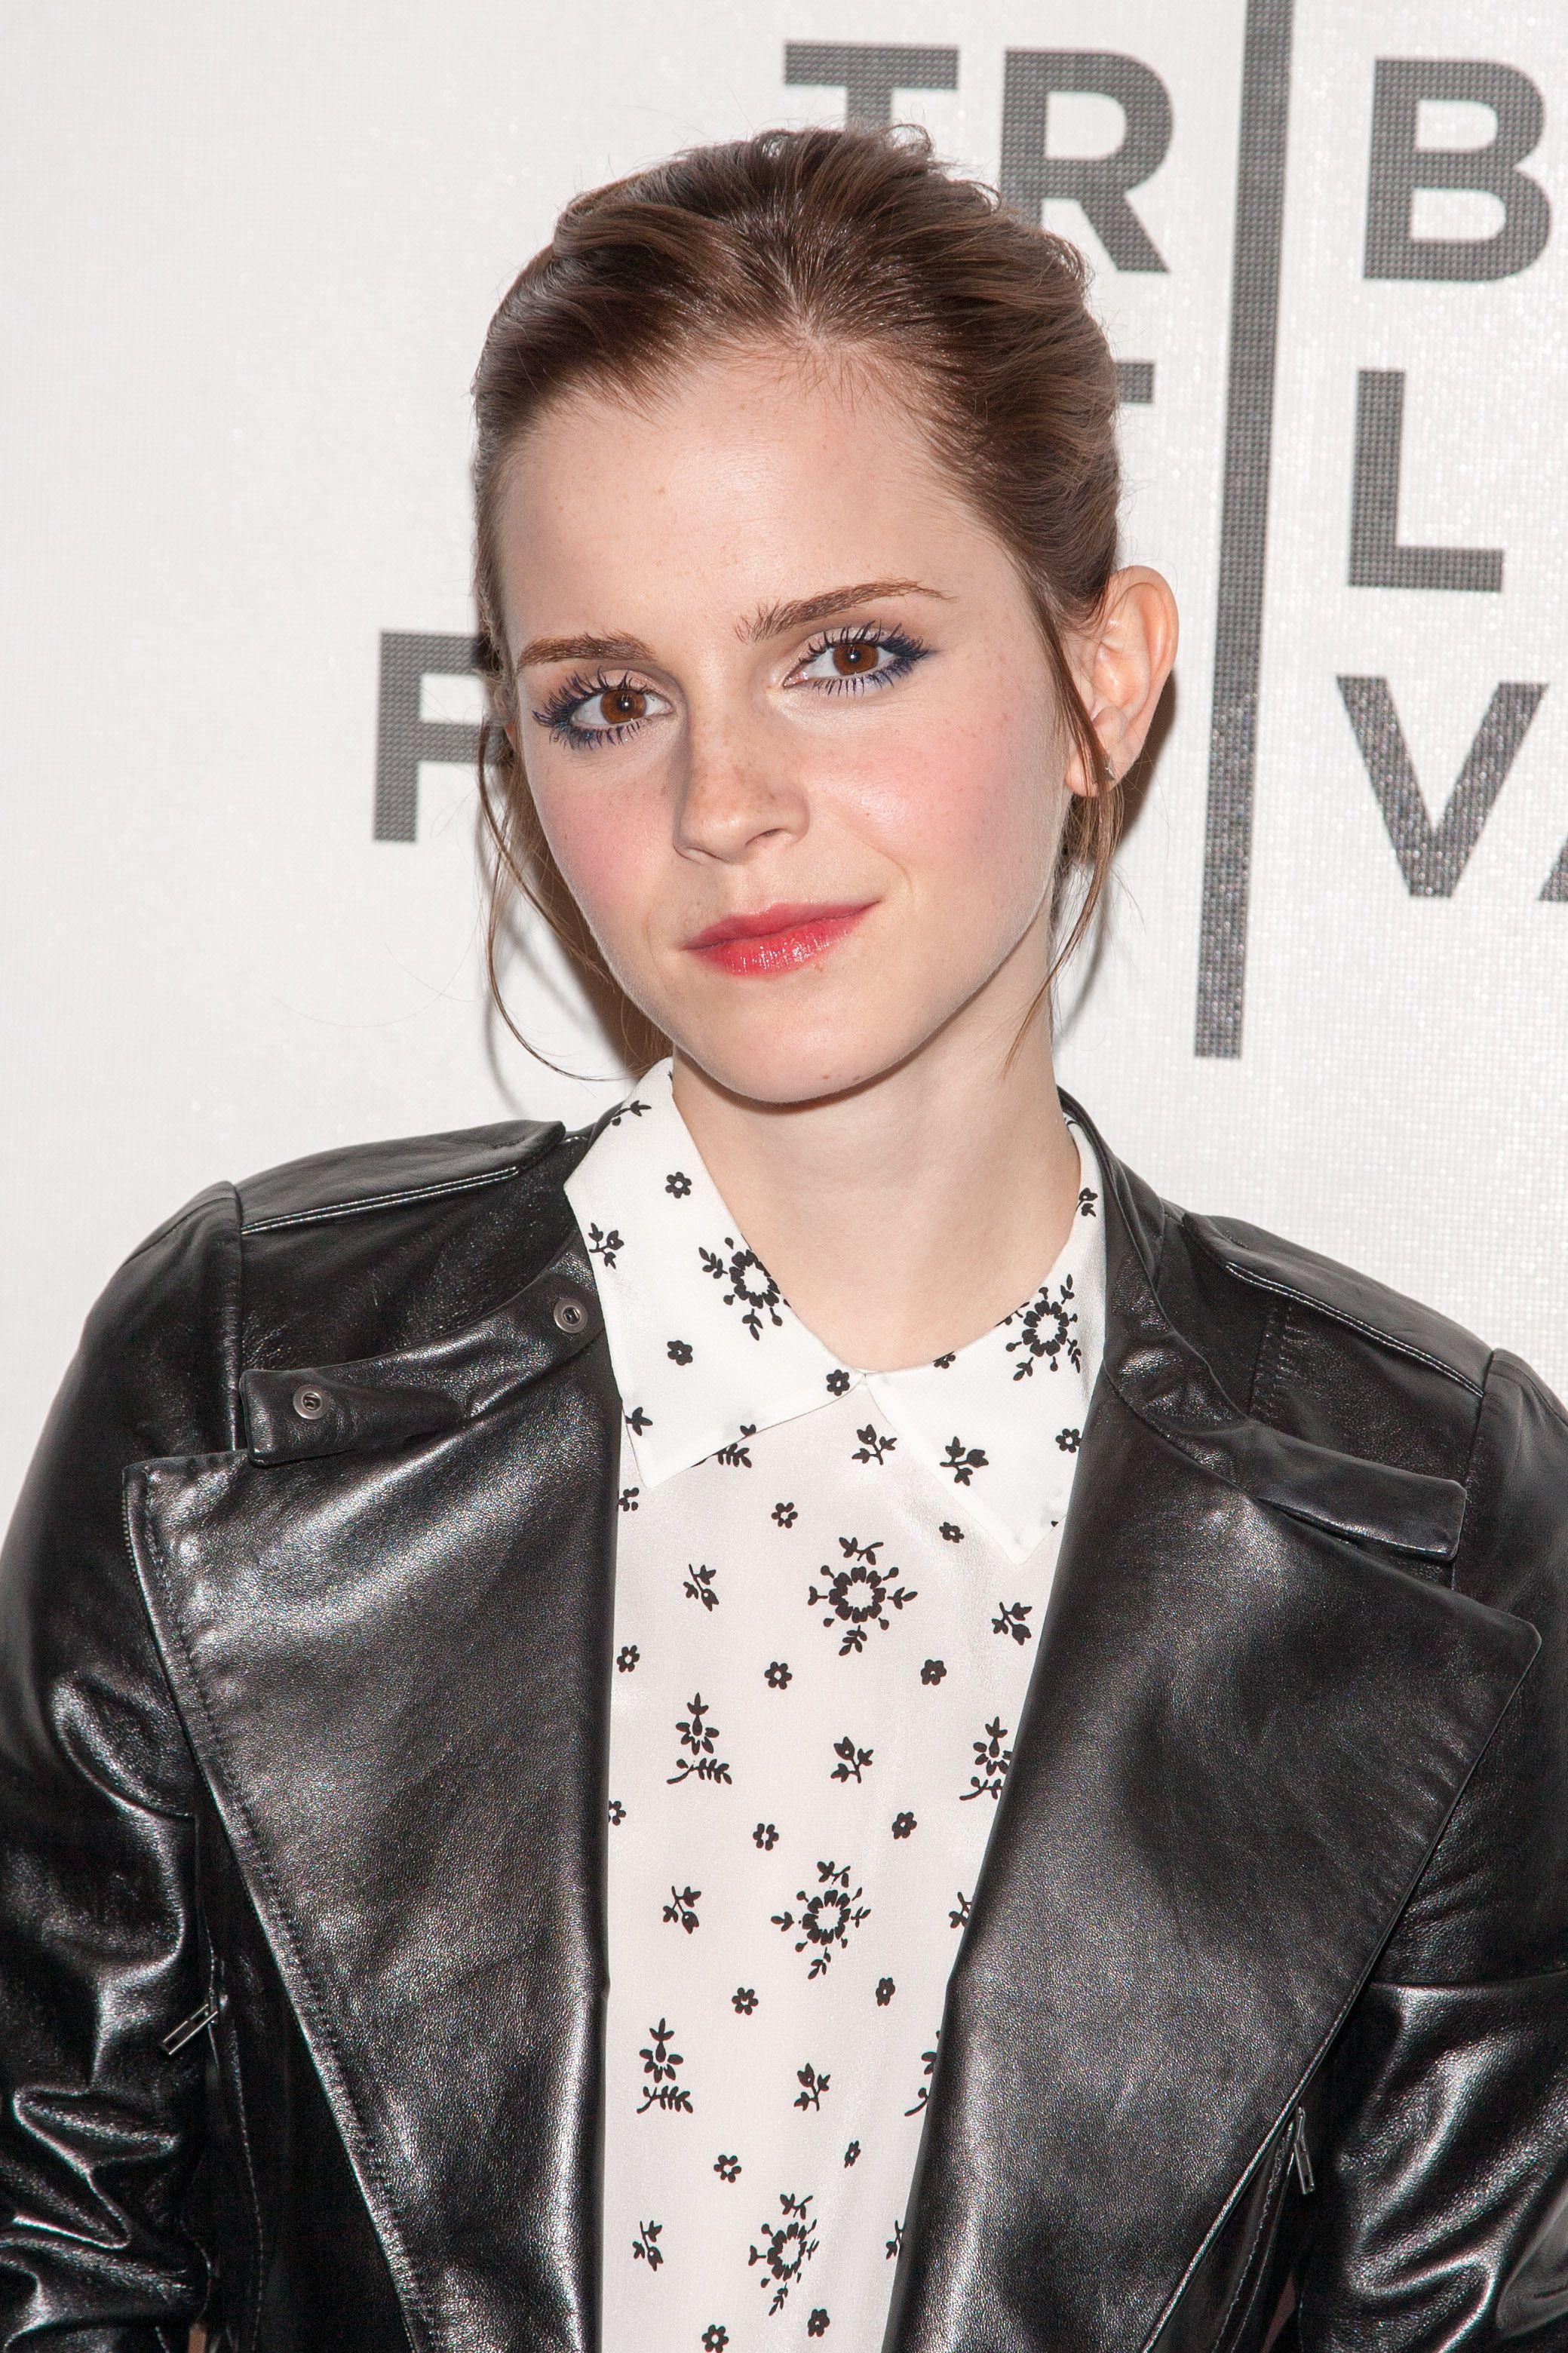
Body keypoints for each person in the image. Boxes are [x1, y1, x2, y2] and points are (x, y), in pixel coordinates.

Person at [2, 122, 1564, 2353]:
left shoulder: (1425, 1523)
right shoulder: (241, 1400)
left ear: (1107, 679)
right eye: (608, 700)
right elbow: (44, 2245)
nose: (721, 804)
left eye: (848, 654)